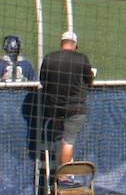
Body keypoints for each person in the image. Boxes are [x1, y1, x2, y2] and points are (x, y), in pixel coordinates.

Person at [37, 30, 98, 170]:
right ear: (74, 45)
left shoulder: (49, 58)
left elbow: (43, 82)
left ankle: (57, 172)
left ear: (61, 43)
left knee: (59, 138)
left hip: (55, 108)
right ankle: (65, 178)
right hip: (76, 109)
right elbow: (89, 81)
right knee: (68, 143)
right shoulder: (81, 58)